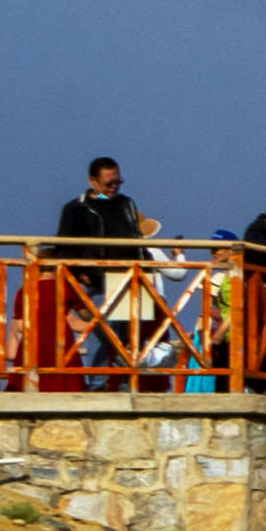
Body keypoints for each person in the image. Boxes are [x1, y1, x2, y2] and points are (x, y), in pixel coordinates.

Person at [49, 156, 158, 382]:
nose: (114, 188)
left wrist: (147, 269)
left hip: (131, 278)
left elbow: (137, 238)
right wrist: (82, 275)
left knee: (130, 338)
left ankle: (127, 383)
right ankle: (98, 383)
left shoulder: (127, 204)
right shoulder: (76, 209)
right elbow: (64, 249)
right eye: (109, 183)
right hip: (98, 282)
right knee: (103, 335)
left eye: (118, 182)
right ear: (93, 182)